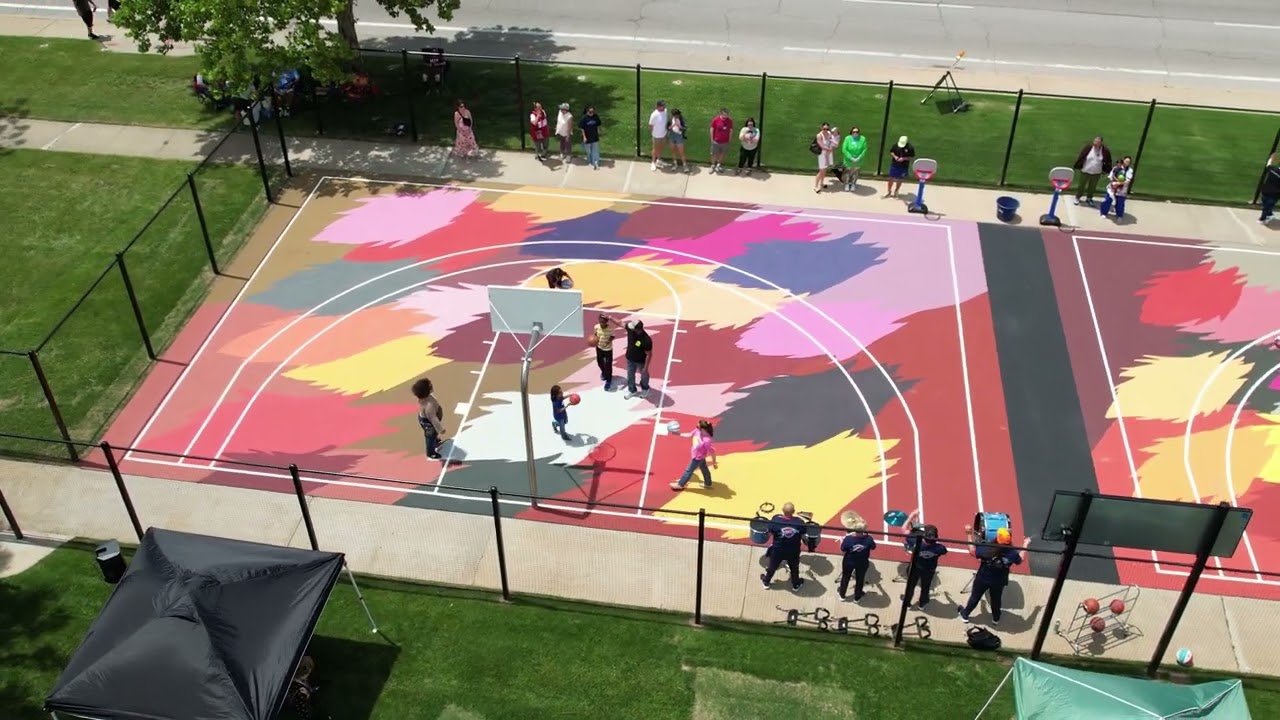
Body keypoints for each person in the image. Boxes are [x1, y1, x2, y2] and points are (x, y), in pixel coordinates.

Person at [958, 526, 1029, 625]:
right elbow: (1020, 559)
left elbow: (972, 551)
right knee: (996, 600)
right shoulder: (1012, 553)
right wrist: (1025, 544)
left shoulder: (987, 549)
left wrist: (969, 535)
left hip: (983, 578)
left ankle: (965, 614)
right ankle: (996, 618)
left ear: (997, 538)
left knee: (975, 597)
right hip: (999, 581)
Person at [760, 502, 815, 590]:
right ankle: (796, 584)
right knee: (794, 568)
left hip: (778, 550)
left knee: (772, 566)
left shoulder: (776, 520)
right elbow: (804, 533)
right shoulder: (799, 522)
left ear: (782, 510)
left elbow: (769, 533)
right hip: (793, 550)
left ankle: (766, 582)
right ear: (793, 511)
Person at [902, 520, 946, 608]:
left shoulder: (916, 542)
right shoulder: (939, 548)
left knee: (910, 586)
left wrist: (912, 516)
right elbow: (944, 552)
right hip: (929, 570)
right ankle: (922, 603)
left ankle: (907, 603)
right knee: (926, 587)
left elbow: (904, 530)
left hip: (915, 568)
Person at [837, 511, 876, 602]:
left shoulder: (849, 539)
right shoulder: (869, 539)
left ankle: (842, 595)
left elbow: (843, 549)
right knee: (860, 579)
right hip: (862, 562)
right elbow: (873, 547)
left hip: (849, 561)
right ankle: (857, 597)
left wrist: (841, 541)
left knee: (845, 577)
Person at [670, 419, 717, 490]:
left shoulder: (706, 440)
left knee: (688, 471)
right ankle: (708, 483)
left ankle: (680, 484)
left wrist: (714, 463)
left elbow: (712, 452)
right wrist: (678, 434)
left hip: (697, 458)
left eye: (698, 426)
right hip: (699, 457)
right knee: (704, 470)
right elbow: (689, 434)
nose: (696, 427)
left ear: (703, 429)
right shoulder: (697, 431)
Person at [411, 378, 446, 461]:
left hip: (426, 418)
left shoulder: (426, 398)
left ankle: (436, 441)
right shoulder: (429, 406)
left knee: (433, 435)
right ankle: (431, 453)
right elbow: (433, 419)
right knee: (430, 437)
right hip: (429, 423)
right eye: (430, 385)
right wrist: (441, 429)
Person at [1072, 135, 1112, 206]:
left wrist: (1106, 170)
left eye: (1098, 142)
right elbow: (1082, 156)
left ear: (1101, 143)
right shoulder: (1088, 148)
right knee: (1081, 185)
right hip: (1085, 170)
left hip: (1097, 172)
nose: (1096, 143)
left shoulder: (1105, 150)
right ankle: (1078, 197)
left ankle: (1089, 198)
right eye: (1095, 141)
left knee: (1092, 186)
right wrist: (1078, 165)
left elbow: (1108, 161)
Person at [1099, 155, 1134, 220]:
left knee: (1120, 203)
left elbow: (1127, 181)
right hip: (1112, 188)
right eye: (1126, 161)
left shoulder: (1130, 171)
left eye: (1128, 162)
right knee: (1107, 200)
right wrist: (1114, 183)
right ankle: (1103, 213)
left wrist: (1118, 183)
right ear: (1123, 160)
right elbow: (1111, 177)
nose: (1127, 163)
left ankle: (1119, 215)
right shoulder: (1116, 168)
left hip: (1122, 190)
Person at [623, 320, 652, 399]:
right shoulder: (630, 330)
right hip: (630, 359)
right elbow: (620, 323)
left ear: (638, 329)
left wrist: (645, 368)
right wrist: (610, 317)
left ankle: (645, 389)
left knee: (644, 376)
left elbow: (649, 355)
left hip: (641, 361)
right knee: (630, 375)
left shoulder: (646, 340)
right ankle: (632, 390)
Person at [590, 314, 617, 390]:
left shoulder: (610, 329)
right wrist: (593, 340)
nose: (601, 323)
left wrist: (608, 341)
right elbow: (595, 335)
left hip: (608, 349)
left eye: (603, 322)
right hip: (599, 348)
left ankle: (608, 379)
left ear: (606, 322)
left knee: (608, 365)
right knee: (600, 362)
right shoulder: (596, 327)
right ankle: (604, 372)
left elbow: (613, 336)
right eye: (600, 322)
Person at [813, 122, 839, 193]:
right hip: (822, 154)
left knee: (825, 169)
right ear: (821, 128)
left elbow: (833, 141)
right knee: (821, 170)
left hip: (828, 153)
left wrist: (834, 145)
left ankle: (822, 183)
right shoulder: (819, 135)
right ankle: (816, 186)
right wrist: (829, 149)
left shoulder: (829, 133)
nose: (825, 130)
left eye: (827, 129)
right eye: (824, 129)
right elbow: (822, 146)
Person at [840, 126, 868, 191]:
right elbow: (844, 149)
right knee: (848, 172)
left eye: (857, 132)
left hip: (858, 160)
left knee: (855, 172)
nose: (855, 133)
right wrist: (850, 157)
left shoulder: (863, 139)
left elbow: (864, 149)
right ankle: (847, 183)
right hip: (849, 160)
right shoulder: (847, 138)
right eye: (854, 132)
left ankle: (853, 183)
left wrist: (859, 157)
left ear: (859, 133)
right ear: (851, 132)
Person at [709, 108, 734, 174]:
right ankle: (713, 165)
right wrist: (712, 139)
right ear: (721, 114)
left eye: (727, 115)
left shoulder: (730, 121)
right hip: (716, 141)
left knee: (722, 153)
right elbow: (712, 129)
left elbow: (731, 130)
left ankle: (718, 165)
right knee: (713, 154)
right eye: (724, 114)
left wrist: (730, 139)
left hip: (725, 141)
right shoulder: (716, 120)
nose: (726, 116)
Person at [579, 105, 602, 170]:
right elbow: (582, 129)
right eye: (590, 112)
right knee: (588, 151)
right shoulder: (584, 118)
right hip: (587, 137)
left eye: (593, 112)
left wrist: (600, 131)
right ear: (587, 112)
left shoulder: (596, 117)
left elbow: (598, 125)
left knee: (595, 150)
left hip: (594, 137)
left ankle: (595, 162)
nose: (592, 113)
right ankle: (589, 158)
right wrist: (584, 137)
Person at [649, 100, 669, 171]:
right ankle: (653, 162)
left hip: (663, 134)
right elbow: (651, 125)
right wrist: (653, 133)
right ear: (658, 106)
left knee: (661, 147)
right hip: (656, 135)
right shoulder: (654, 115)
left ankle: (659, 159)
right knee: (655, 149)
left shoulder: (665, 111)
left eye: (664, 105)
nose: (664, 107)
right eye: (662, 106)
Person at [1260, 152, 1280, 224]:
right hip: (1274, 194)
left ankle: (1265, 217)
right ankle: (1265, 216)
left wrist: (1271, 158)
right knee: (1267, 205)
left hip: (1266, 191)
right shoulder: (1273, 170)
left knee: (1266, 204)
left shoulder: (1273, 169)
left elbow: (1268, 165)